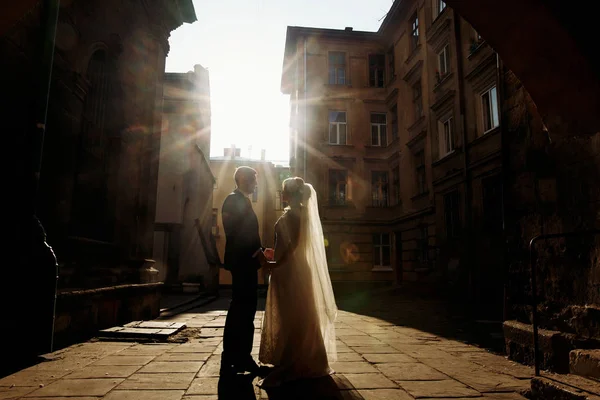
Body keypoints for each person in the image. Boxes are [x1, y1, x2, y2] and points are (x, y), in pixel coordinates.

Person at [258, 177, 338, 387]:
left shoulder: (289, 217)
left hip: (289, 271)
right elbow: (294, 246)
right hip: (300, 269)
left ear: (288, 194)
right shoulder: (302, 215)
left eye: (282, 191)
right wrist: (275, 255)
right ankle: (310, 359)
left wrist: (273, 263)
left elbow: (291, 247)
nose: (281, 194)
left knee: (290, 317)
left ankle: (292, 363)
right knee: (304, 314)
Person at [220, 166, 270, 376]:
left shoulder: (241, 200)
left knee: (242, 310)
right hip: (243, 263)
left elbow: (247, 233)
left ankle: (235, 357)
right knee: (243, 310)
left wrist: (260, 250)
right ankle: (238, 358)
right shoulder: (233, 200)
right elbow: (237, 234)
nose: (255, 184)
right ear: (241, 178)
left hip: (245, 262)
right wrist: (257, 252)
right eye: (253, 179)